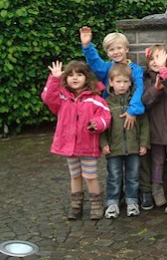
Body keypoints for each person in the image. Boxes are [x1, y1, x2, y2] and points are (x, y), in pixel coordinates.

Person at [78, 27, 153, 210]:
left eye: (119, 48)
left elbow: (139, 89)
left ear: (126, 48)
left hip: (132, 117)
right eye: (111, 49)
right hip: (112, 117)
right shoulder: (107, 68)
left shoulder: (134, 69)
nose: (116, 52)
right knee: (114, 166)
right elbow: (95, 64)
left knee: (136, 165)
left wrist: (133, 111)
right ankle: (115, 196)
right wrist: (87, 46)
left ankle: (136, 195)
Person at [41, 60, 111, 220]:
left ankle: (96, 204)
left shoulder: (95, 99)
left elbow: (105, 116)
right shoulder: (62, 98)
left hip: (88, 145)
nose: (75, 78)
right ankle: (76, 205)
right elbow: (47, 97)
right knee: (75, 175)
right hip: (69, 146)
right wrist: (55, 78)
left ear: (87, 78)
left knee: (90, 175)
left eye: (79, 75)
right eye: (71, 75)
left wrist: (98, 124)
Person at [101, 63, 150, 218]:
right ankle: (112, 202)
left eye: (125, 82)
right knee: (114, 176)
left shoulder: (135, 103)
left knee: (133, 176)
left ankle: (132, 201)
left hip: (133, 147)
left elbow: (144, 125)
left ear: (130, 83)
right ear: (111, 82)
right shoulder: (107, 103)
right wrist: (103, 143)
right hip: (114, 148)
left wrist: (143, 144)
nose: (122, 86)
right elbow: (102, 126)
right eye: (118, 82)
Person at [141, 45, 167, 214]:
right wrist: (156, 90)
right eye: (152, 59)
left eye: (159, 58)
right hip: (155, 130)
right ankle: (157, 190)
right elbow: (144, 101)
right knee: (157, 162)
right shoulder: (146, 80)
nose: (156, 62)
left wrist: (165, 76)